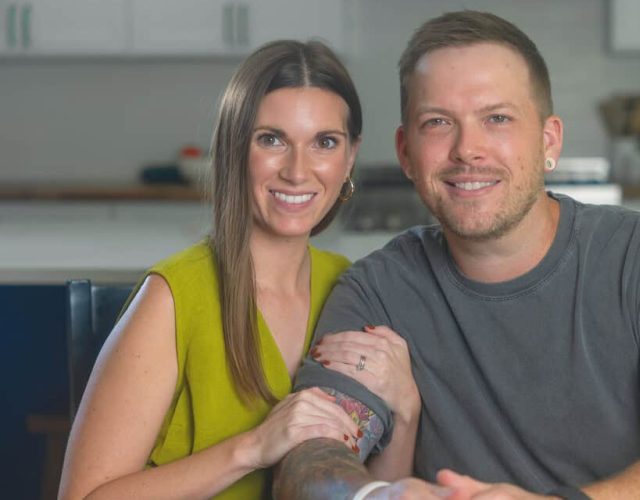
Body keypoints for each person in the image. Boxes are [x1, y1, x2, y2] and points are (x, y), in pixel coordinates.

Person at [273, 11, 640, 500]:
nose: (468, 150)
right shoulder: (377, 293)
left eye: (497, 118)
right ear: (406, 152)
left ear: (549, 141)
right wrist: (382, 497)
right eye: (438, 122)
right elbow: (311, 459)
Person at [58, 40, 419, 499]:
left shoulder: (355, 288)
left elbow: (374, 491)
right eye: (272, 139)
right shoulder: (174, 296)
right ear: (234, 147)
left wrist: (405, 411)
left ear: (349, 157)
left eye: (324, 142)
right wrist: (252, 447)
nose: (297, 170)